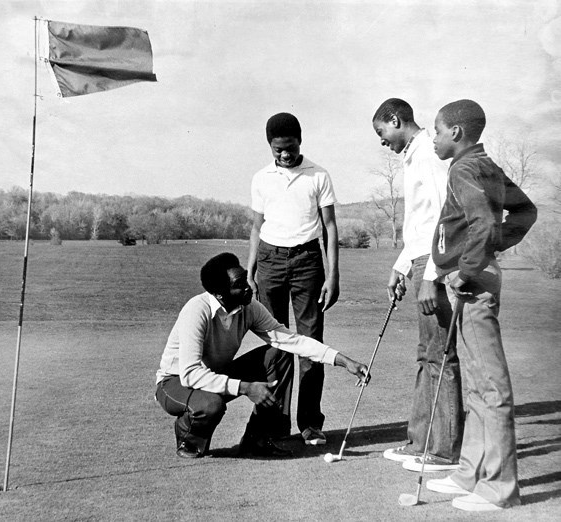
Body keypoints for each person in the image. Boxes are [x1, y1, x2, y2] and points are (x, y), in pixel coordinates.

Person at [425, 99, 537, 512]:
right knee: (475, 384)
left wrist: (469, 267)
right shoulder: (484, 165)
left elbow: (487, 224)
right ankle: (471, 471)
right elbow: (526, 211)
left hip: (473, 284)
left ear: (456, 132)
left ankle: (499, 488)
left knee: (491, 386)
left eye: (437, 131)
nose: (434, 139)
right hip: (472, 278)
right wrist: (484, 253)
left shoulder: (465, 168)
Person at [155, 252, 370, 459]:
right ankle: (188, 437)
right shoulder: (196, 310)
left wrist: (343, 360)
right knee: (211, 405)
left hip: (212, 375)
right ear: (220, 294)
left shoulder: (249, 307)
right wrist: (246, 387)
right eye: (240, 284)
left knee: (279, 353)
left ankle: (257, 440)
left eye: (246, 279)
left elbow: (290, 340)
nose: (249, 287)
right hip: (175, 383)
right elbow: (190, 373)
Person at [371, 98, 464, 472]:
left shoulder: (428, 153)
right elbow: (418, 224)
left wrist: (429, 277)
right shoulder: (413, 155)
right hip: (422, 260)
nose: (382, 141)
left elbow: (445, 218)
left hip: (437, 263)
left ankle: (442, 451)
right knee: (428, 353)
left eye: (382, 132)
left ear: (396, 120)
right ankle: (421, 441)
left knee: (439, 354)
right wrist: (400, 265)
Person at [247, 112, 339, 446]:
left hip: (308, 261)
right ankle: (277, 423)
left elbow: (329, 227)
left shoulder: (319, 175)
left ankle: (310, 424)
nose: (284, 154)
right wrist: (250, 272)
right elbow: (257, 227)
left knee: (311, 344)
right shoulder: (261, 178)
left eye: (289, 147)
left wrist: (333, 276)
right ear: (269, 145)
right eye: (277, 149)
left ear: (300, 140)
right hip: (270, 260)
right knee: (276, 343)